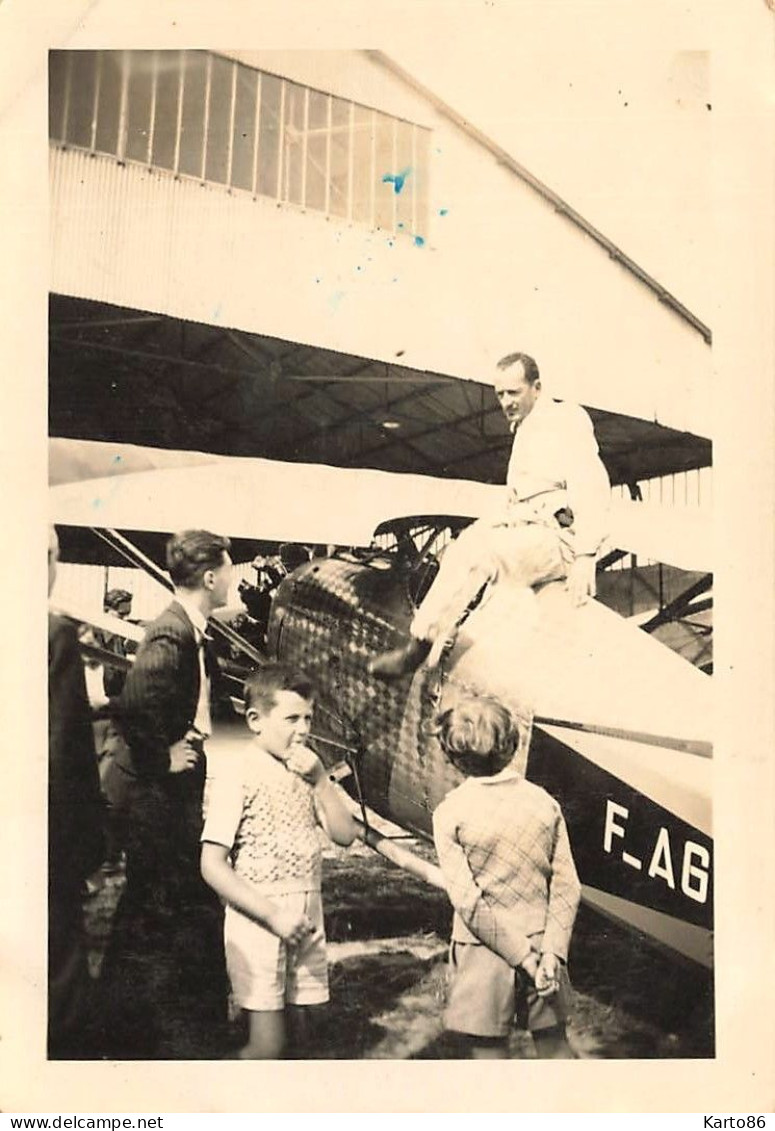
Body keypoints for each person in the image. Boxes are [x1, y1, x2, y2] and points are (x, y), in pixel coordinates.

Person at [370, 352, 611, 678]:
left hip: (558, 539)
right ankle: (444, 641)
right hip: (531, 533)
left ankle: (419, 646)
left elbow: (591, 483)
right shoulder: (526, 428)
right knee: (467, 545)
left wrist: (586, 555)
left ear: (536, 387)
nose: (506, 401)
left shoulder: (563, 419)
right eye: (500, 394)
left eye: (514, 392)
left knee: (477, 552)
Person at [98, 529, 233, 1058]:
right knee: (170, 907)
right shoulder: (172, 634)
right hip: (159, 797)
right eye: (228, 568)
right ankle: (172, 1029)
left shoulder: (190, 630)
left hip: (170, 795)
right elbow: (132, 704)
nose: (232, 577)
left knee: (151, 908)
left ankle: (124, 1026)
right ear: (208, 577)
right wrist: (165, 756)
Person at [201, 662, 356, 1059]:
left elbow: (344, 834)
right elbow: (212, 864)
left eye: (309, 718)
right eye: (291, 719)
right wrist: (272, 915)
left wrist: (322, 782)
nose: (303, 729)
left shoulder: (309, 770)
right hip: (260, 920)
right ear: (255, 719)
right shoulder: (238, 773)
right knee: (268, 1046)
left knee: (308, 1032)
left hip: (306, 918)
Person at [432, 693, 580, 1059]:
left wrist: (522, 958)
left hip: (484, 951)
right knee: (556, 1050)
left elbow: (467, 902)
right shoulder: (544, 802)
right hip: (541, 940)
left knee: (489, 1062)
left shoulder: (450, 812)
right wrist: (551, 954)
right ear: (512, 745)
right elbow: (567, 885)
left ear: (452, 755)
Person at [47, 526, 105, 1056]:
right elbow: (65, 751)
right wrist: (87, 845)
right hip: (40, 837)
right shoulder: (53, 635)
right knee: (58, 967)